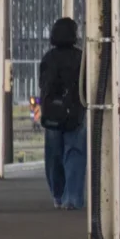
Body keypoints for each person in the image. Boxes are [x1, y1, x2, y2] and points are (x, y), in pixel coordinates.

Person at [38, 17, 86, 210]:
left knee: (53, 156)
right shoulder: (82, 57)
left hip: (53, 113)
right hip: (76, 112)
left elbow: (43, 85)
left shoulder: (48, 58)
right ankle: (73, 198)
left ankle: (57, 194)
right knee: (75, 154)